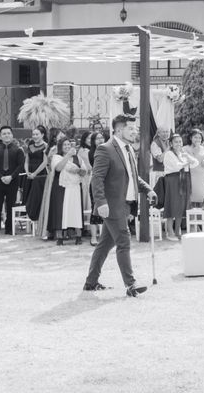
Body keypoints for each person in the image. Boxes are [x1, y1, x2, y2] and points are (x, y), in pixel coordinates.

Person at [84, 114, 156, 297]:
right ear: (118, 129)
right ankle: (131, 285)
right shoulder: (105, 149)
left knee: (105, 245)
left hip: (124, 205)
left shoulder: (129, 149)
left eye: (135, 128)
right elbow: (97, 178)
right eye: (131, 128)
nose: (135, 131)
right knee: (124, 241)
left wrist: (148, 189)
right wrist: (100, 203)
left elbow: (133, 176)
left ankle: (90, 283)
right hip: (111, 205)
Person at [47, 137, 86, 245]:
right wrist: (68, 155)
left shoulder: (78, 158)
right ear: (60, 147)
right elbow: (58, 168)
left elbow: (84, 172)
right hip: (61, 187)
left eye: (69, 144)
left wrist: (78, 170)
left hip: (75, 187)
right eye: (65, 145)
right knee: (61, 211)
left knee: (76, 210)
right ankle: (60, 237)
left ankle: (78, 236)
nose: (67, 146)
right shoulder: (56, 157)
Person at [164, 133, 198, 239]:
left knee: (181, 206)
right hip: (173, 180)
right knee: (172, 204)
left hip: (184, 179)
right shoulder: (169, 154)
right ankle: (170, 232)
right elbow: (176, 166)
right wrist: (187, 162)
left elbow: (195, 163)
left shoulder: (182, 153)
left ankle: (178, 231)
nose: (178, 144)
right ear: (171, 143)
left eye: (180, 141)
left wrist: (188, 158)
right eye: (176, 142)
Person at [0, 126, 25, 236]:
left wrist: (11, 177)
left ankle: (9, 228)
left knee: (11, 206)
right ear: (1, 136)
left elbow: (20, 166)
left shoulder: (18, 150)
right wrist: (1, 176)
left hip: (13, 181)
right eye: (4, 134)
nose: (6, 135)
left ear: (12, 135)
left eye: (8, 133)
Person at [23, 126, 49, 225]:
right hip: (29, 174)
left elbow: (45, 162)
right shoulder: (30, 146)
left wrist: (35, 174)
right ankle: (30, 222)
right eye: (33, 134)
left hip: (40, 174)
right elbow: (26, 161)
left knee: (39, 197)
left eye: (37, 134)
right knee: (28, 196)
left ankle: (40, 222)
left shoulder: (46, 146)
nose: (35, 136)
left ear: (42, 135)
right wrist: (27, 172)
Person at [87, 132, 107, 246]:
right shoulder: (92, 153)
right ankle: (94, 237)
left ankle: (104, 236)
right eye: (97, 138)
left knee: (106, 209)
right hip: (96, 183)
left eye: (101, 137)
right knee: (95, 209)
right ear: (93, 141)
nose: (100, 140)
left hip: (106, 183)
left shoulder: (108, 151)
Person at [183, 129, 204, 207]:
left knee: (201, 199)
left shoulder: (203, 149)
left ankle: (200, 218)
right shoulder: (185, 148)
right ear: (191, 138)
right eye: (195, 137)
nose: (197, 139)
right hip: (190, 176)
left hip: (201, 177)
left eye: (199, 138)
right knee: (190, 199)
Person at [77, 130, 93, 213]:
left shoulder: (91, 150)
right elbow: (89, 167)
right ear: (84, 139)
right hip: (86, 178)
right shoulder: (83, 151)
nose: (90, 140)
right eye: (88, 138)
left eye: (92, 138)